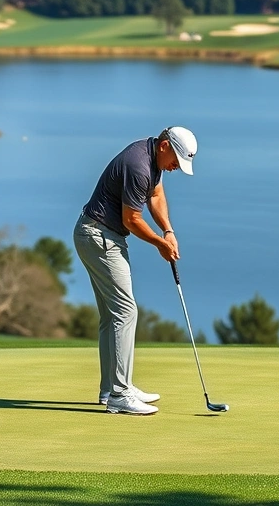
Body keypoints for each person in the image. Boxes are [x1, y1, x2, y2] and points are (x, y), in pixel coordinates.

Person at [73, 126, 198, 415]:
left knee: (111, 315)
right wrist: (158, 244)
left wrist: (168, 231)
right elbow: (131, 219)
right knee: (125, 312)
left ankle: (112, 388)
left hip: (99, 235)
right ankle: (120, 394)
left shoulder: (153, 157)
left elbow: (155, 196)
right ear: (165, 145)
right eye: (176, 161)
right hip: (99, 237)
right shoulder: (138, 165)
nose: (176, 167)